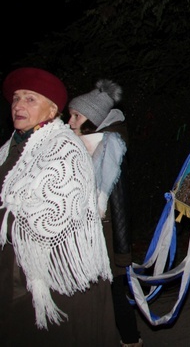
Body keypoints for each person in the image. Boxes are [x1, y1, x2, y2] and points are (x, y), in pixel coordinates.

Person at [0, 67, 118, 345]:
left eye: (30, 99)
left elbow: (56, 214)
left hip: (58, 276)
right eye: (16, 98)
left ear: (52, 109)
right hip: (15, 272)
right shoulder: (10, 148)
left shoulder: (65, 148)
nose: (18, 105)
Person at [67, 79, 141, 346]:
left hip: (105, 236)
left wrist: (122, 254)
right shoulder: (86, 143)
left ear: (92, 118)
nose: (70, 121)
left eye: (76, 115)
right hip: (89, 234)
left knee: (113, 292)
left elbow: (118, 202)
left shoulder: (109, 146)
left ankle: (131, 341)